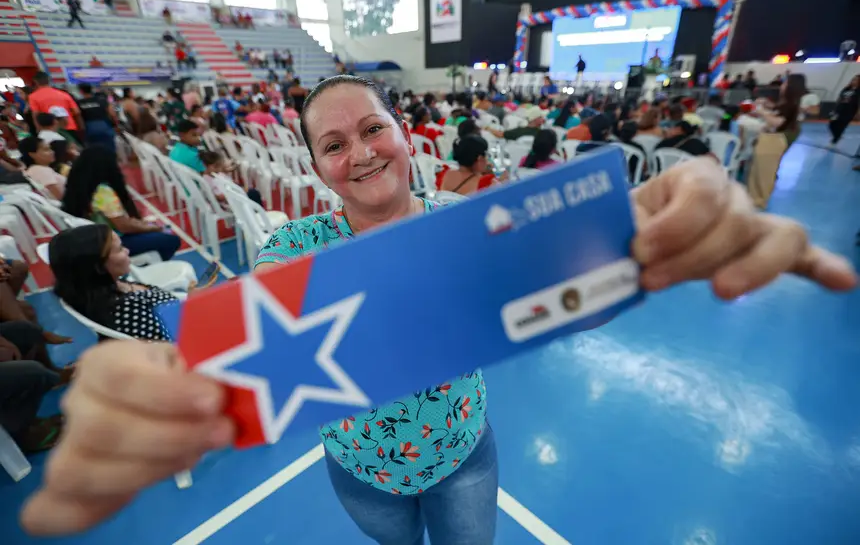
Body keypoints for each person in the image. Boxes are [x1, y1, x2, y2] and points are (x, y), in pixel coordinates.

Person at [20, 76, 859, 542]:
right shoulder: (290, 250)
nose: (361, 151)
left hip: (463, 452)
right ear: (315, 165)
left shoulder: (476, 228)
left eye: (372, 127)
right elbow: (228, 347)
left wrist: (639, 242)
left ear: (401, 133)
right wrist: (154, 377)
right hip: (362, 471)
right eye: (334, 142)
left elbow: (582, 303)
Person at [50, 224, 195, 341]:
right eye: (119, 249)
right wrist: (195, 304)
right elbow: (170, 341)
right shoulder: (127, 310)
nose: (127, 250)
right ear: (99, 267)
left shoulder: (95, 290)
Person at [62, 146, 181, 261]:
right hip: (110, 243)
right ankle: (151, 266)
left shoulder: (79, 185)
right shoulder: (103, 192)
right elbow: (124, 227)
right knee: (171, 239)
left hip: (93, 240)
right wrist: (153, 228)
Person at [746, 73, 804, 208]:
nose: (782, 86)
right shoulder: (785, 103)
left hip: (774, 140)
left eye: (785, 83)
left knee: (765, 173)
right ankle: (753, 198)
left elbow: (777, 122)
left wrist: (761, 112)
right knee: (757, 171)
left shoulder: (790, 104)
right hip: (769, 138)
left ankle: (759, 201)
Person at [28, 72, 84, 139]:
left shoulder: (33, 97)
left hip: (50, 129)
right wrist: (81, 128)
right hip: (70, 127)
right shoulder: (64, 94)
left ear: (35, 82)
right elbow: (77, 112)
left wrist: (39, 129)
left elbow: (36, 115)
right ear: (49, 80)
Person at [77, 83, 117, 151]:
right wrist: (115, 125)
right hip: (105, 127)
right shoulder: (102, 100)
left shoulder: (78, 103)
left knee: (93, 150)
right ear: (91, 89)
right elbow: (112, 114)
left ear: (81, 91)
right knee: (110, 149)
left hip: (89, 128)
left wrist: (81, 131)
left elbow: (78, 117)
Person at [830, 75, 859, 146]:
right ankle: (837, 136)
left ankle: (834, 140)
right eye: (853, 79)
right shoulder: (846, 89)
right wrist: (835, 108)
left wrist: (858, 113)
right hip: (839, 109)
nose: (854, 81)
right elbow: (839, 98)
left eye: (856, 80)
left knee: (842, 126)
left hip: (850, 111)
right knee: (832, 124)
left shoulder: (858, 91)